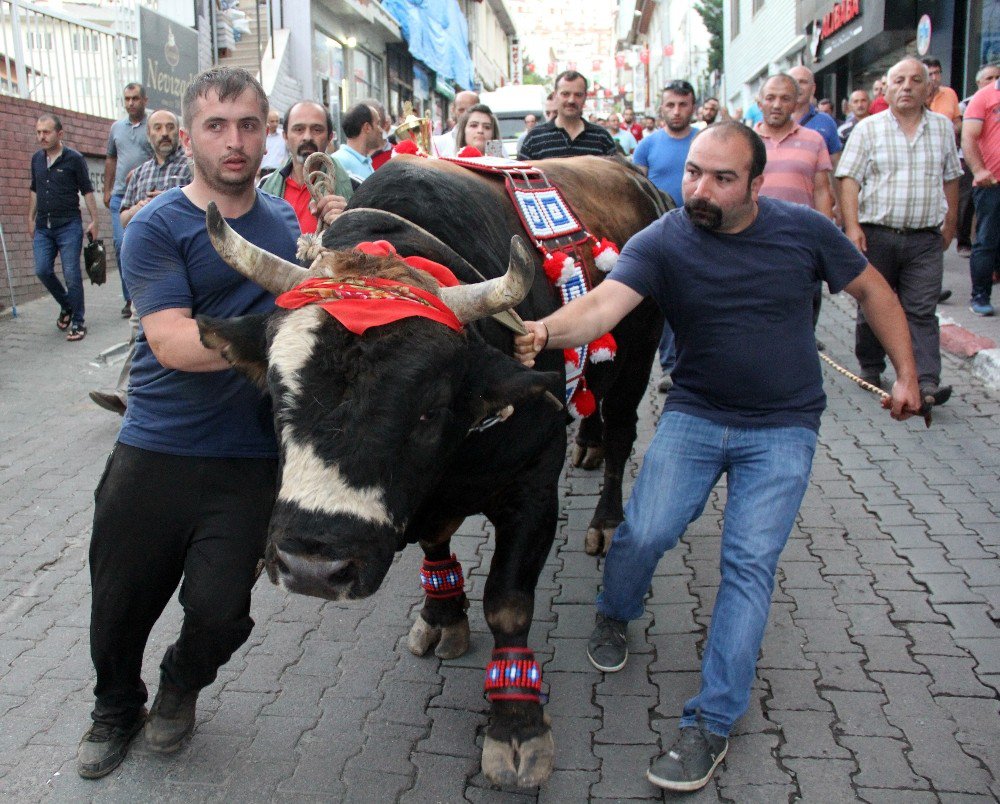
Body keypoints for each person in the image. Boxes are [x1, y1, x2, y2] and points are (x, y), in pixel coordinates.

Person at [512, 121, 921, 793]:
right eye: (694, 172)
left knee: (748, 567)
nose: (699, 188)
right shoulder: (666, 237)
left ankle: (710, 723)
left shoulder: (803, 232)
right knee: (643, 533)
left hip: (783, 431)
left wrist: (905, 373)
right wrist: (544, 330)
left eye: (721, 178)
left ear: (758, 184)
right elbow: (603, 307)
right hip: (695, 417)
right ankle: (616, 610)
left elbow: (874, 291)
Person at [75, 66, 301, 780]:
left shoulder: (286, 226)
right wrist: (293, 336)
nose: (234, 142)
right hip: (156, 452)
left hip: (249, 459)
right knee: (118, 608)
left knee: (220, 609)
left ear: (267, 136)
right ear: (190, 134)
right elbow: (172, 342)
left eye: (248, 126)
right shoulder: (157, 227)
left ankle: (180, 684)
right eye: (216, 126)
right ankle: (115, 708)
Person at [837, 57, 962, 405]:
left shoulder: (941, 128)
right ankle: (871, 366)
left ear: (928, 88)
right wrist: (852, 227)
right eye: (899, 81)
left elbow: (951, 178)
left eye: (915, 80)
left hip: (924, 238)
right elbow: (848, 179)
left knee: (921, 310)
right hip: (877, 234)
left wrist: (950, 224)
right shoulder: (868, 128)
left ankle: (926, 381)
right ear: (887, 89)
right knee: (873, 303)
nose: (906, 86)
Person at [89, 109, 193, 416]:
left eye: (170, 127)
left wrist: (169, 199)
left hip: (184, 259)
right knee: (139, 326)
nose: (164, 133)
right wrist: (143, 207)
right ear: (148, 135)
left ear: (179, 133)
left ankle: (138, 395)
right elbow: (122, 217)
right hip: (151, 265)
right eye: (157, 128)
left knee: (171, 331)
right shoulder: (139, 173)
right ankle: (129, 394)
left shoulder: (191, 169)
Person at [632, 80, 699, 393]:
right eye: (670, 105)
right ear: (661, 107)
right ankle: (672, 367)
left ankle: (699, 364)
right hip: (663, 235)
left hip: (702, 233)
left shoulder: (704, 141)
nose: (676, 111)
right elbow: (637, 191)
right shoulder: (647, 145)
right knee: (667, 304)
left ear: (693, 107)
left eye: (683, 105)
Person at [29, 113, 99, 342]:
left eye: (46, 132)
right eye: (39, 132)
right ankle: (67, 304)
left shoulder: (74, 159)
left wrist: (94, 220)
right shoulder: (36, 160)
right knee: (42, 269)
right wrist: (30, 217)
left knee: (71, 274)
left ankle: (78, 322)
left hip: (68, 225)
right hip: (43, 226)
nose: (42, 137)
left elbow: (87, 190)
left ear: (60, 134)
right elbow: (34, 189)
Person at [259, 99, 352, 233]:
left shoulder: (354, 186)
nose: (307, 137)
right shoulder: (265, 186)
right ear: (285, 136)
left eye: (317, 129)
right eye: (299, 129)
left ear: (330, 137)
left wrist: (350, 221)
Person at [104, 83, 153, 318]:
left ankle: (144, 295)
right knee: (121, 244)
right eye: (126, 99)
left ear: (144, 100)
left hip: (146, 194)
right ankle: (129, 298)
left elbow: (162, 154)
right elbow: (111, 159)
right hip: (121, 195)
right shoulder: (116, 128)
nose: (130, 103)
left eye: (135, 98)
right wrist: (107, 188)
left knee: (138, 244)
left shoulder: (154, 124)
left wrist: (142, 170)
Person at [755, 74, 833, 219]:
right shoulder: (745, 141)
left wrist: (825, 236)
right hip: (755, 234)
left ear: (795, 105)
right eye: (770, 98)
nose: (777, 105)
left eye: (785, 99)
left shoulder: (815, 140)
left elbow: (821, 192)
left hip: (801, 233)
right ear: (760, 104)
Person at [961, 65, 1000, 316]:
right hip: (991, 184)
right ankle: (980, 296)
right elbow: (968, 137)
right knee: (987, 241)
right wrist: (978, 170)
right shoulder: (984, 97)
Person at [518, 71, 617, 160]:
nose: (571, 100)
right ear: (555, 95)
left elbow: (617, 177)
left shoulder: (602, 138)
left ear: (585, 97)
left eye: (578, 95)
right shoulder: (535, 138)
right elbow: (519, 179)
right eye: (565, 94)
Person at [956, 64, 1000, 258]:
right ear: (978, 82)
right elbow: (967, 136)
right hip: (983, 173)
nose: (992, 81)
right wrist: (978, 168)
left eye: (995, 77)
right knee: (986, 233)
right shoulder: (972, 102)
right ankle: (964, 241)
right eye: (988, 78)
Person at [331, 101, 382, 183]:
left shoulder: (365, 160)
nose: (380, 130)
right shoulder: (339, 162)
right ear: (367, 127)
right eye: (378, 124)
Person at [431, 90, 479, 157]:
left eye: (470, 110)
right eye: (461, 110)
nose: (465, 114)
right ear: (453, 110)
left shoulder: (489, 143)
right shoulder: (437, 143)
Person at [922, 57, 962, 134]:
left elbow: (958, 122)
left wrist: (951, 130)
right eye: (930, 74)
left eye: (937, 73)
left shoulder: (950, 93)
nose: (934, 78)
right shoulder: (917, 96)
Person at [259, 109, 288, 175]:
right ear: (266, 121)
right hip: (264, 172)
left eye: (277, 121)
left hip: (279, 172)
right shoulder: (261, 136)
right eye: (272, 121)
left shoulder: (284, 135)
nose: (275, 124)